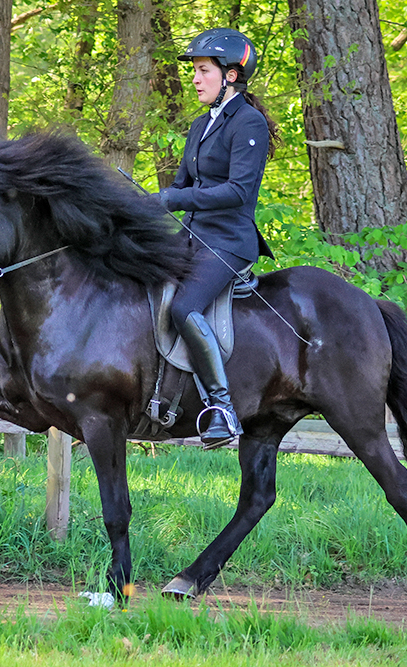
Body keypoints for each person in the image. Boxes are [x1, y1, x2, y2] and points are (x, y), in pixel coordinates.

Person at [158, 27, 280, 449]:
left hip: (228, 241)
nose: (195, 78)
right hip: (193, 236)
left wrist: (173, 198)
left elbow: (238, 192)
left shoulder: (249, 123)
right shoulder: (200, 124)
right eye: (195, 70)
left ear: (231, 75)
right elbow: (181, 186)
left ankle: (221, 408)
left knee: (186, 306)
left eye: (204, 70)